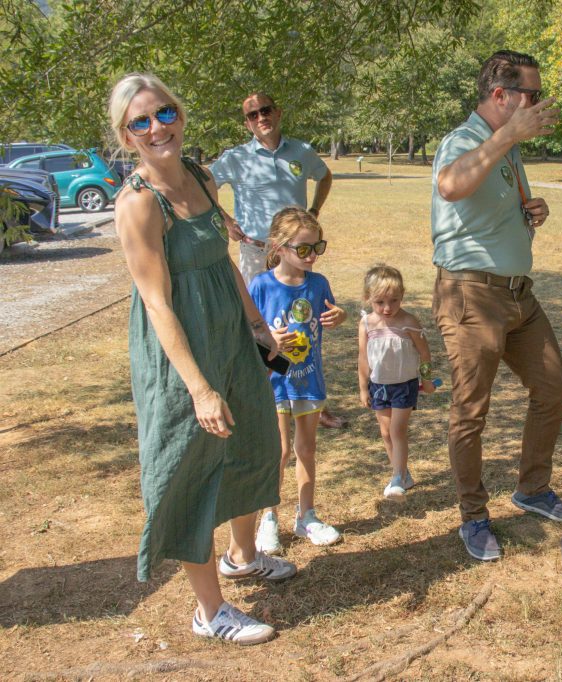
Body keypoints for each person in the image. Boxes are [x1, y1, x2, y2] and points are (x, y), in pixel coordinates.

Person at [110, 73, 296, 646]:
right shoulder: (139, 205)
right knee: (188, 468)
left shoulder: (202, 175)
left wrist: (261, 332)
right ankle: (209, 609)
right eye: (140, 121)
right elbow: (157, 301)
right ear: (126, 136)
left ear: (179, 114)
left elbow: (225, 264)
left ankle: (243, 557)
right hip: (181, 351)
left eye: (163, 112)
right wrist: (198, 388)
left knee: (252, 443)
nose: (156, 127)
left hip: (231, 336)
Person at [431, 50, 562, 561]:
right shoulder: (466, 140)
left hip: (518, 296)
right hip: (472, 294)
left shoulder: (508, 149)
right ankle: (474, 517)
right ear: (501, 96)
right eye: (530, 95)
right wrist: (509, 135)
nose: (536, 104)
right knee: (471, 411)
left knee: (554, 389)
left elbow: (490, 208)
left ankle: (532, 489)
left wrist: (532, 210)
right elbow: (451, 185)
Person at [210, 92, 346, 430]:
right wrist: (226, 220)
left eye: (265, 110)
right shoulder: (236, 157)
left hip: (296, 254)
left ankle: (311, 401)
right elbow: (203, 185)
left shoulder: (300, 151)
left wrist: (313, 212)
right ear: (247, 123)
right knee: (260, 328)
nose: (261, 118)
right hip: (257, 251)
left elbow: (325, 176)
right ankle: (269, 402)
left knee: (304, 326)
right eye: (252, 115)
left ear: (278, 112)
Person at [248, 207, 346, 554]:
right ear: (278, 246)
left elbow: (332, 312)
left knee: (306, 449)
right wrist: (268, 337)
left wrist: (341, 315)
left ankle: (307, 516)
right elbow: (245, 334)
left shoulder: (318, 283)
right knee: (280, 450)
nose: (311, 256)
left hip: (309, 381)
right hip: (273, 382)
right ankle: (268, 519)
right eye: (303, 249)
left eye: (317, 248)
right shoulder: (260, 285)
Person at [357, 264, 436, 500]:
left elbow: (425, 353)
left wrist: (427, 379)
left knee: (397, 429)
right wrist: (363, 388)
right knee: (385, 432)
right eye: (380, 302)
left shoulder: (409, 322)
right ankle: (402, 473)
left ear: (402, 296)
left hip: (405, 384)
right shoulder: (366, 324)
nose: (387, 308)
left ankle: (397, 478)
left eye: (394, 300)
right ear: (367, 298)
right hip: (378, 385)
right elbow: (362, 357)